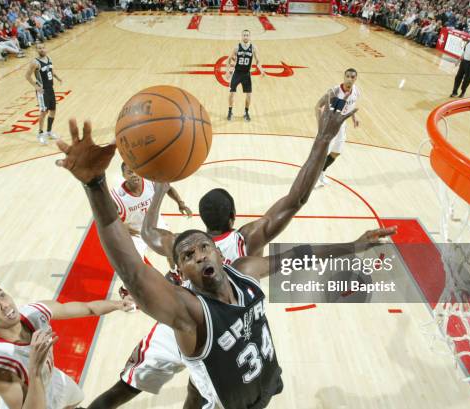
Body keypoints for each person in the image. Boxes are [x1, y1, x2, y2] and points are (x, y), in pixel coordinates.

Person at [55, 98, 395, 408]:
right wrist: (95, 185)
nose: (199, 255)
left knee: (163, 387)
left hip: (230, 351)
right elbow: (133, 270)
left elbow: (299, 254)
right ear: (179, 266)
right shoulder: (197, 296)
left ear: (215, 248)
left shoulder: (235, 266)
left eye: (203, 248)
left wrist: (158, 190)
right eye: (189, 255)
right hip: (191, 327)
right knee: (156, 384)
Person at [0, 283, 134, 409]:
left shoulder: (35, 312)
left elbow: (88, 308)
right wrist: (35, 370)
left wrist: (119, 304)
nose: (5, 305)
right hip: (31, 399)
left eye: (2, 295)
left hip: (52, 379)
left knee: (74, 403)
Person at [112, 161, 192, 297]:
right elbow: (109, 218)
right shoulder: (117, 196)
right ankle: (125, 289)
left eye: (136, 171)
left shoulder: (150, 182)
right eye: (129, 172)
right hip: (136, 232)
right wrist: (123, 227)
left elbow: (168, 188)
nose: (134, 175)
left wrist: (180, 203)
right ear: (123, 175)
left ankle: (175, 273)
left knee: (171, 250)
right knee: (134, 265)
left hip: (156, 225)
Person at [314, 68, 360, 186]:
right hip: (329, 125)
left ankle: (321, 172)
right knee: (322, 153)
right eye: (348, 76)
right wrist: (320, 124)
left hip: (342, 124)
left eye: (352, 77)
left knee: (336, 152)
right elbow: (318, 106)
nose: (350, 79)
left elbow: (351, 105)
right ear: (344, 77)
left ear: (355, 79)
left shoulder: (356, 91)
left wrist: (354, 118)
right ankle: (313, 178)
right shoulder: (334, 91)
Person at [26, 43, 63, 145]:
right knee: (43, 112)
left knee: (53, 110)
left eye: (43, 48)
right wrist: (36, 86)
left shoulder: (49, 59)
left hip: (51, 89)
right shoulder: (35, 62)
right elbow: (27, 76)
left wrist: (58, 78)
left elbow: (51, 71)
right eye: (39, 48)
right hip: (42, 91)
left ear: (46, 48)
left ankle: (49, 131)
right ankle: (40, 134)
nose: (41, 50)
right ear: (37, 50)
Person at [225, 29, 264, 122]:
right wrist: (227, 71)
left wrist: (261, 70)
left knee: (249, 95)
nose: (245, 37)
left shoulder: (253, 48)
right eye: (244, 35)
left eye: (247, 35)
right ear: (241, 36)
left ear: (249, 37)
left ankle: (246, 112)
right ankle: (230, 111)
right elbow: (229, 59)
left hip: (246, 74)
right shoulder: (237, 48)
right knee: (231, 93)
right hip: (237, 73)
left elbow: (258, 61)